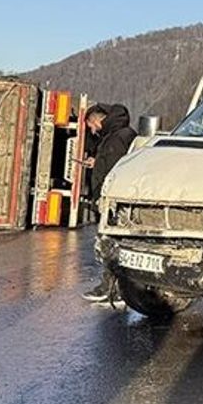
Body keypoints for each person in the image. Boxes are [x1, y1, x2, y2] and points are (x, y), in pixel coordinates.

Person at [80, 103, 137, 303]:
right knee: (115, 244)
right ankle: (116, 289)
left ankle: (112, 289)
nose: (92, 131)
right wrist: (98, 162)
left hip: (112, 201)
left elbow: (115, 170)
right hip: (118, 201)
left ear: (97, 120)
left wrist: (103, 198)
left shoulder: (115, 138)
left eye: (91, 125)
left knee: (110, 244)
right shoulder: (122, 134)